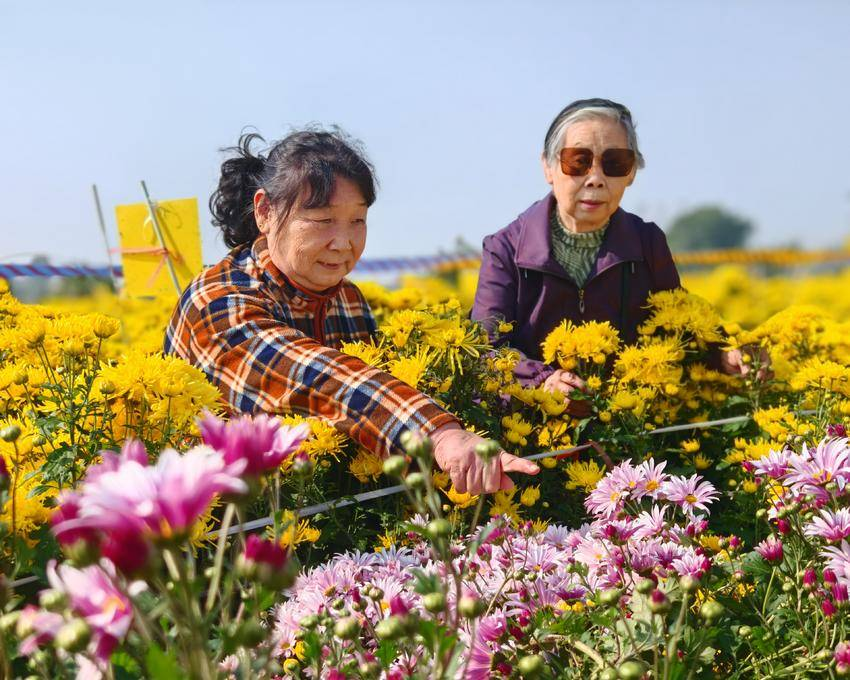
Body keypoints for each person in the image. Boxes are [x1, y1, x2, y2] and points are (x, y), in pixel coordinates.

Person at [165, 128, 538, 494]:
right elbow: (318, 378)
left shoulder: (347, 298)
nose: (343, 243)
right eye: (323, 220)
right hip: (219, 527)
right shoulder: (217, 303)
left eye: (357, 220)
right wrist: (440, 435)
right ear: (265, 211)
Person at [471, 98, 760, 402]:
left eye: (615, 164)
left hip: (628, 423)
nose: (595, 179)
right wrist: (543, 381)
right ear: (548, 166)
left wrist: (726, 354)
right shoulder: (504, 248)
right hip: (529, 424)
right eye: (578, 161)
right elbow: (486, 350)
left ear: (631, 173)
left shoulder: (647, 242)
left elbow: (678, 325)